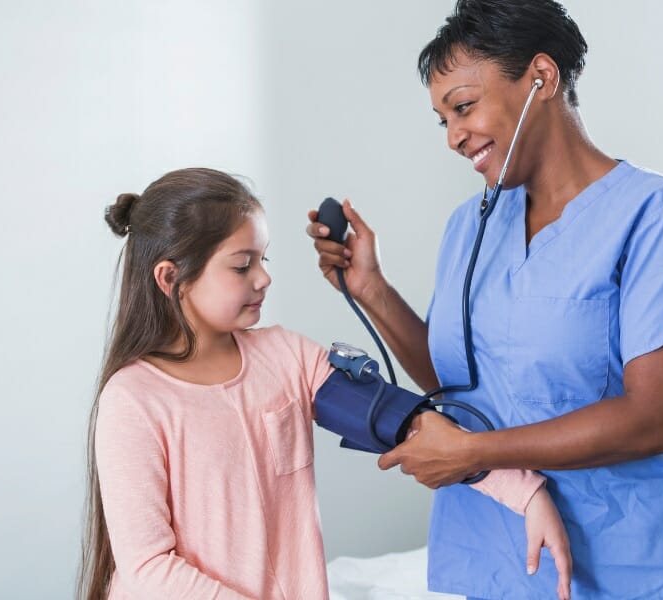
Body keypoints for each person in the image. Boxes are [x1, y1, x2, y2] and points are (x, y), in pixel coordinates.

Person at [306, 1, 663, 598]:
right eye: (443, 121)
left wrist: (471, 452)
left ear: (541, 77)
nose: (454, 136)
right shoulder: (470, 225)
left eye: (463, 107)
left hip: (637, 563)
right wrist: (371, 290)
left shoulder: (660, 218)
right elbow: (462, 384)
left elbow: (656, 419)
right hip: (501, 555)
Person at [77, 167, 573, 600]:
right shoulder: (134, 400)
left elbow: (404, 423)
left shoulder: (286, 357)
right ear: (170, 279)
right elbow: (147, 568)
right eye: (241, 265)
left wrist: (526, 493)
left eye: (264, 260)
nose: (264, 279)